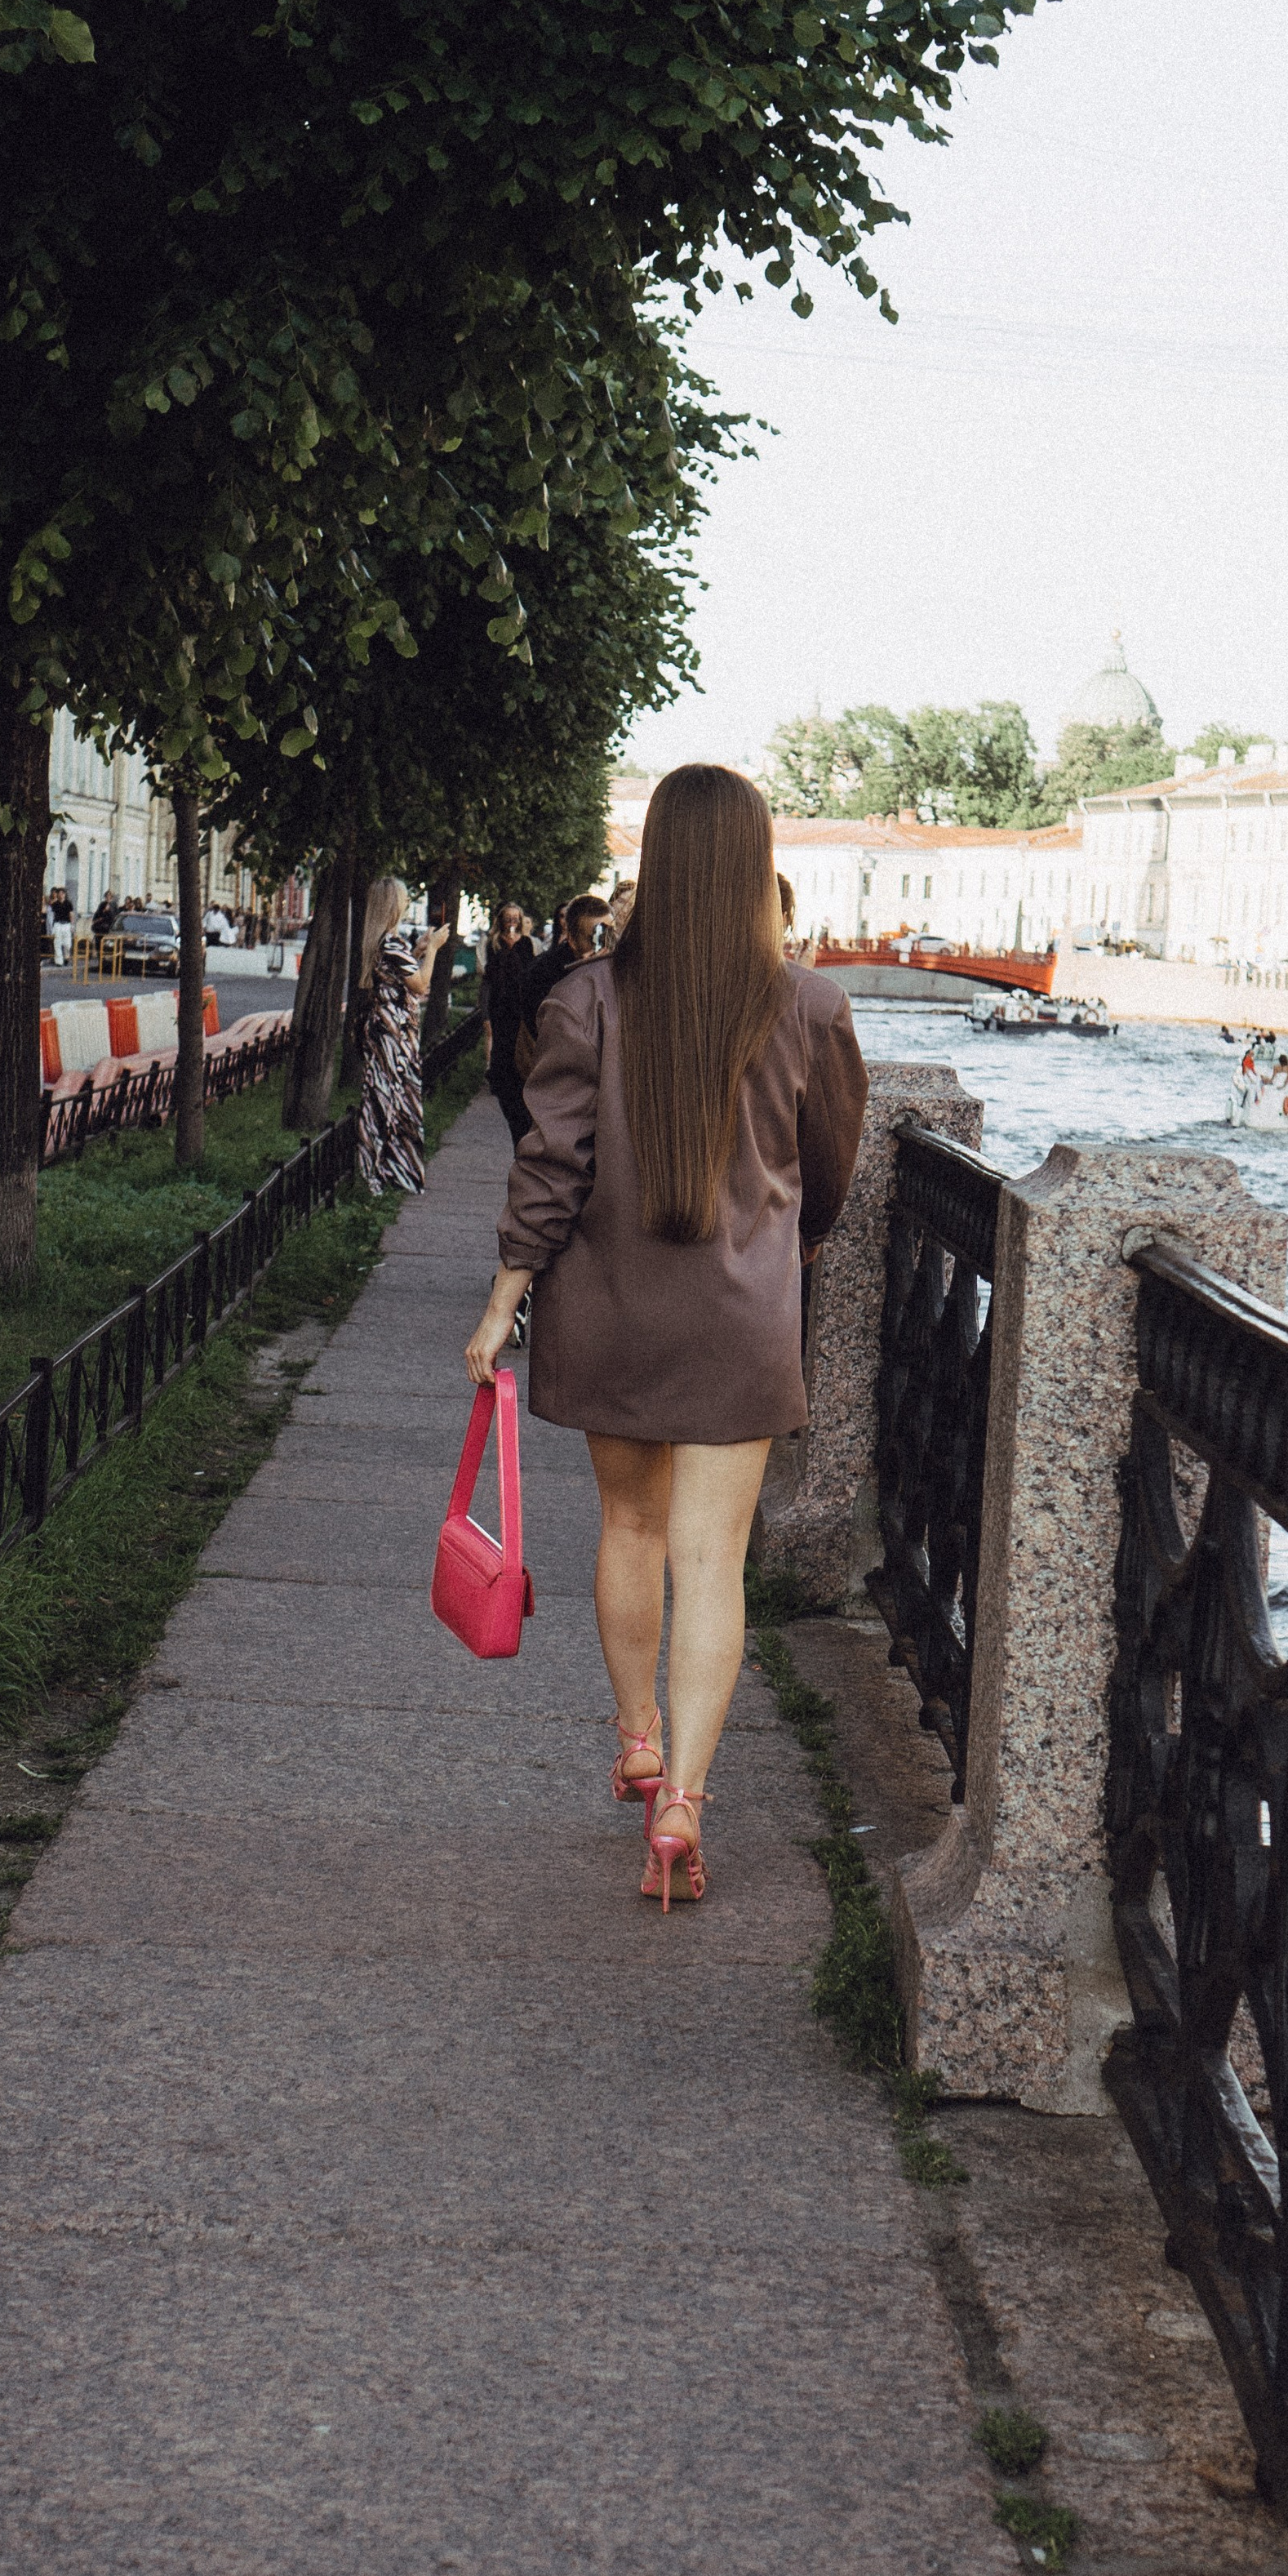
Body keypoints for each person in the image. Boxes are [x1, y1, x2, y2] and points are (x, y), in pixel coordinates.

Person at [464, 763, 868, 1909]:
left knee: (629, 1530)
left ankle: (638, 1736)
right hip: (742, 1322)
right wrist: (783, 1252)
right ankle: (683, 1805)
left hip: (612, 1311)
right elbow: (830, 1174)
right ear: (753, 867)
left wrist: (506, 1298)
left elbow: (550, 1167)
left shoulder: (584, 998)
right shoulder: (811, 1007)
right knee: (711, 1562)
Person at [356, 875, 448, 1195]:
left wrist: (420, 949)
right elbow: (421, 984)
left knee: (390, 1096)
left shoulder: (385, 941)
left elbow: (402, 975)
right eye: (404, 899)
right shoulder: (391, 944)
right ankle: (379, 1173)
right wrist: (433, 950)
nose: (407, 903)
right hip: (393, 1032)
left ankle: (388, 1171)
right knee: (388, 1098)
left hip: (390, 1028)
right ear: (394, 905)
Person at [520, 892, 611, 1044]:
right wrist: (584, 976)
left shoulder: (613, 967)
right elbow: (552, 1037)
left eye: (610, 935)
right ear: (573, 940)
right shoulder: (543, 975)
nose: (606, 946)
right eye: (597, 938)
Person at [482, 902, 537, 1148]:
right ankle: (500, 1075)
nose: (512, 922)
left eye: (516, 917)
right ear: (501, 921)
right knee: (500, 1039)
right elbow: (488, 975)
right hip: (500, 1002)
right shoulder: (493, 943)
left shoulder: (527, 944)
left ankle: (519, 1072)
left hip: (519, 1002)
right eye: (508, 918)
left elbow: (530, 971)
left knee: (518, 1039)